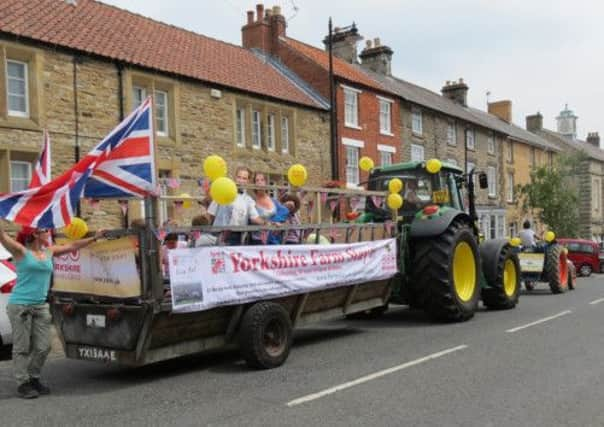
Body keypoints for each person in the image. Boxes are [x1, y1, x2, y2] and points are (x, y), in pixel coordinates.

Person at [0, 220, 105, 399]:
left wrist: (95, 238)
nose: (49, 233)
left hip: (40, 306)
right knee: (22, 347)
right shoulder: (21, 252)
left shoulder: (49, 252)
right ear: (34, 234)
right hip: (20, 306)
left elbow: (73, 245)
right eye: (45, 230)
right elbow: (2, 236)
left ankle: (33, 377)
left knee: (44, 346)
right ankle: (23, 383)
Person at [207, 166, 264, 245]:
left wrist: (268, 223)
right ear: (235, 178)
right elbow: (210, 214)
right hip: (217, 234)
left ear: (248, 181)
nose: (241, 180)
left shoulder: (248, 200)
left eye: (244, 178)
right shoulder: (222, 191)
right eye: (239, 177)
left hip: (236, 237)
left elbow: (255, 218)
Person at [250, 172, 289, 245]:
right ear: (254, 184)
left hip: (274, 240)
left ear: (266, 182)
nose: (260, 182)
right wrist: (271, 223)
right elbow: (253, 219)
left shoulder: (274, 201)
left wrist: (280, 222)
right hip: (258, 240)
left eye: (262, 180)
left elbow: (285, 213)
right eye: (257, 180)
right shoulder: (252, 202)